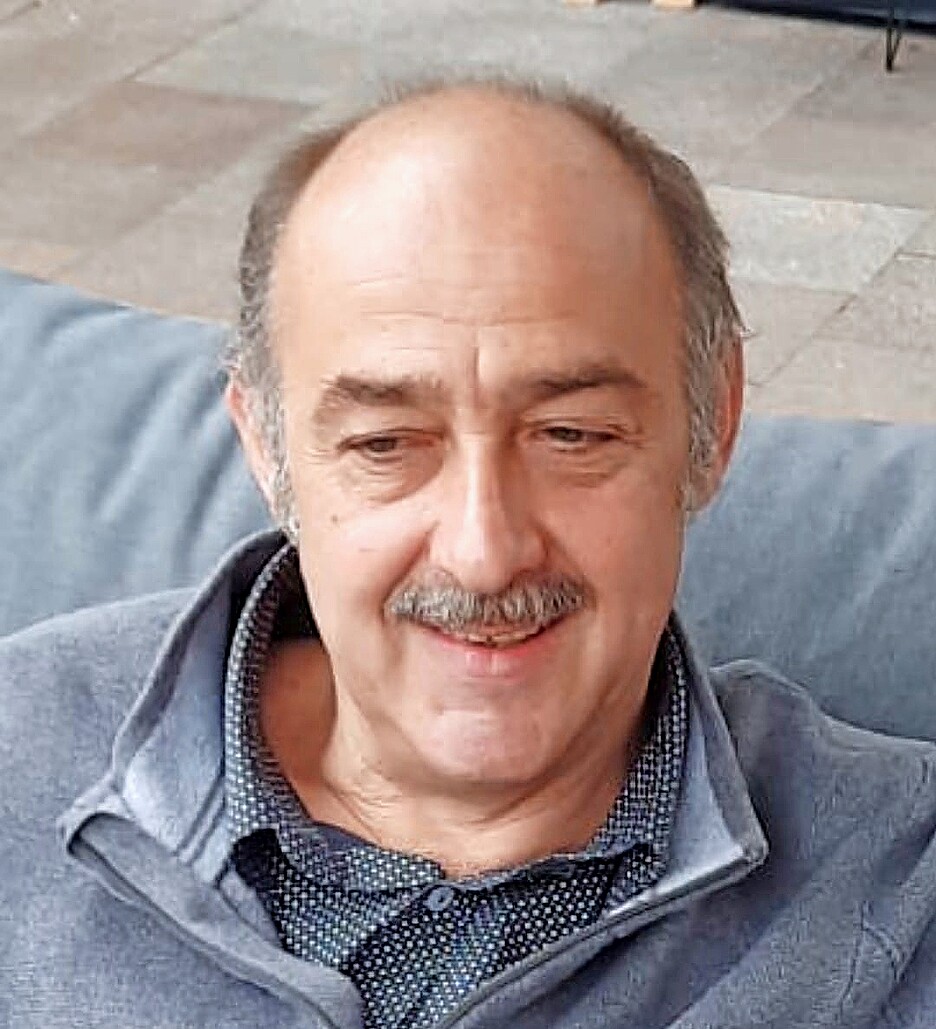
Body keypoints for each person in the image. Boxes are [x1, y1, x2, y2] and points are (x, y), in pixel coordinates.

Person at [2, 78, 936, 1029]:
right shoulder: (20, 741)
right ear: (266, 448)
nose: (484, 554)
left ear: (715, 420)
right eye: (385, 444)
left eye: (572, 435)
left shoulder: (898, 886)